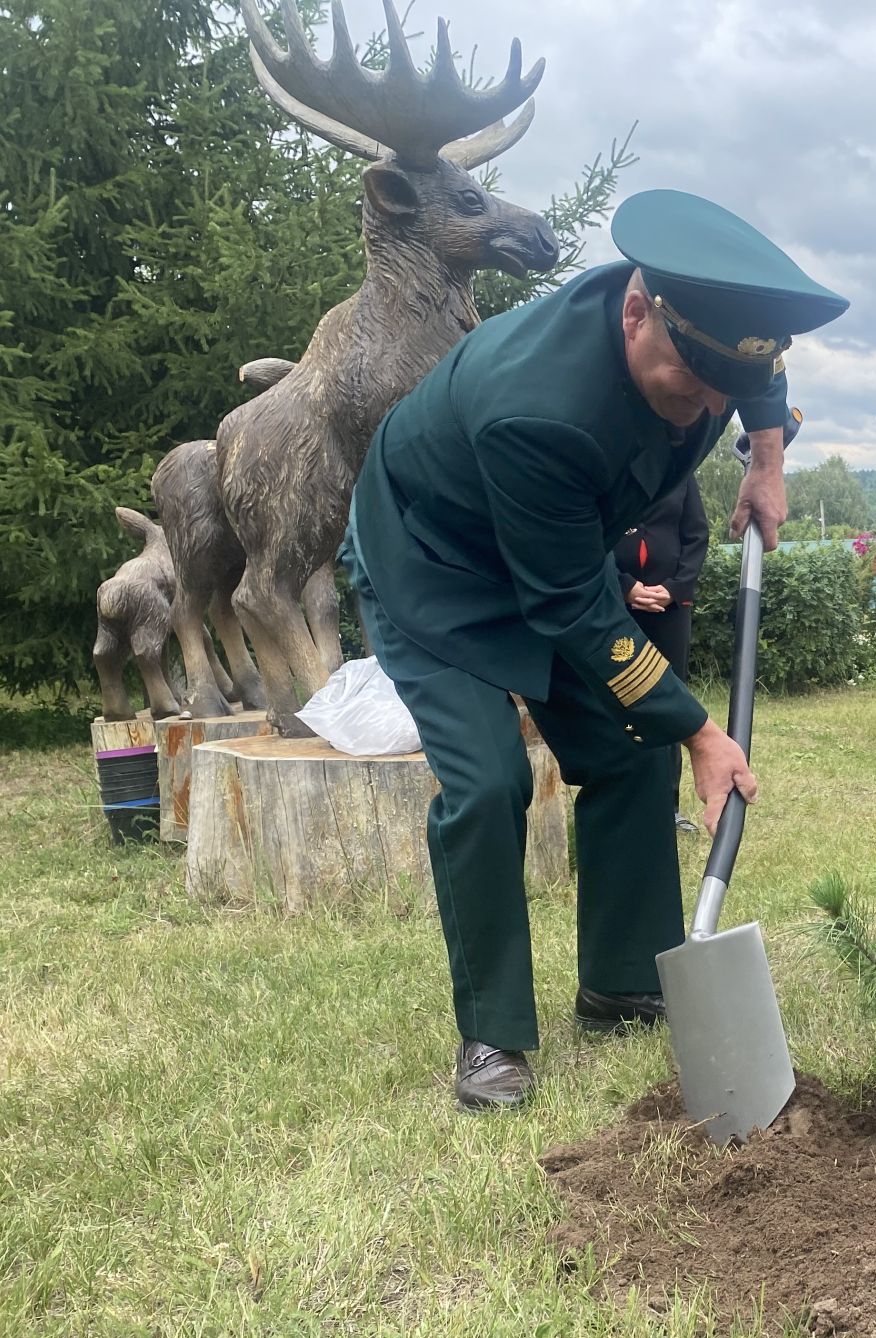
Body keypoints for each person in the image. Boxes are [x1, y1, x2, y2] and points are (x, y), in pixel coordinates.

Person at [343, 190, 848, 1110]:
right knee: (491, 780)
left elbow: (758, 367)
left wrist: (766, 465)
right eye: (684, 381)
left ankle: (620, 981)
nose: (697, 405)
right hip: (436, 567)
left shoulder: (711, 337)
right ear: (633, 311)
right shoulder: (538, 408)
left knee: (629, 749)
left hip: (551, 551)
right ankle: (492, 1036)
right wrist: (701, 730)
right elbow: (572, 606)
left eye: (715, 390)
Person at [614, 472, 710, 832]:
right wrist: (624, 586)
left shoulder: (681, 473)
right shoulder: (610, 465)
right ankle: (624, 802)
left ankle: (668, 807)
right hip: (616, 607)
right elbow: (590, 536)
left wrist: (673, 588)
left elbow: (696, 536)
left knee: (669, 699)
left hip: (670, 610)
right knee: (620, 702)